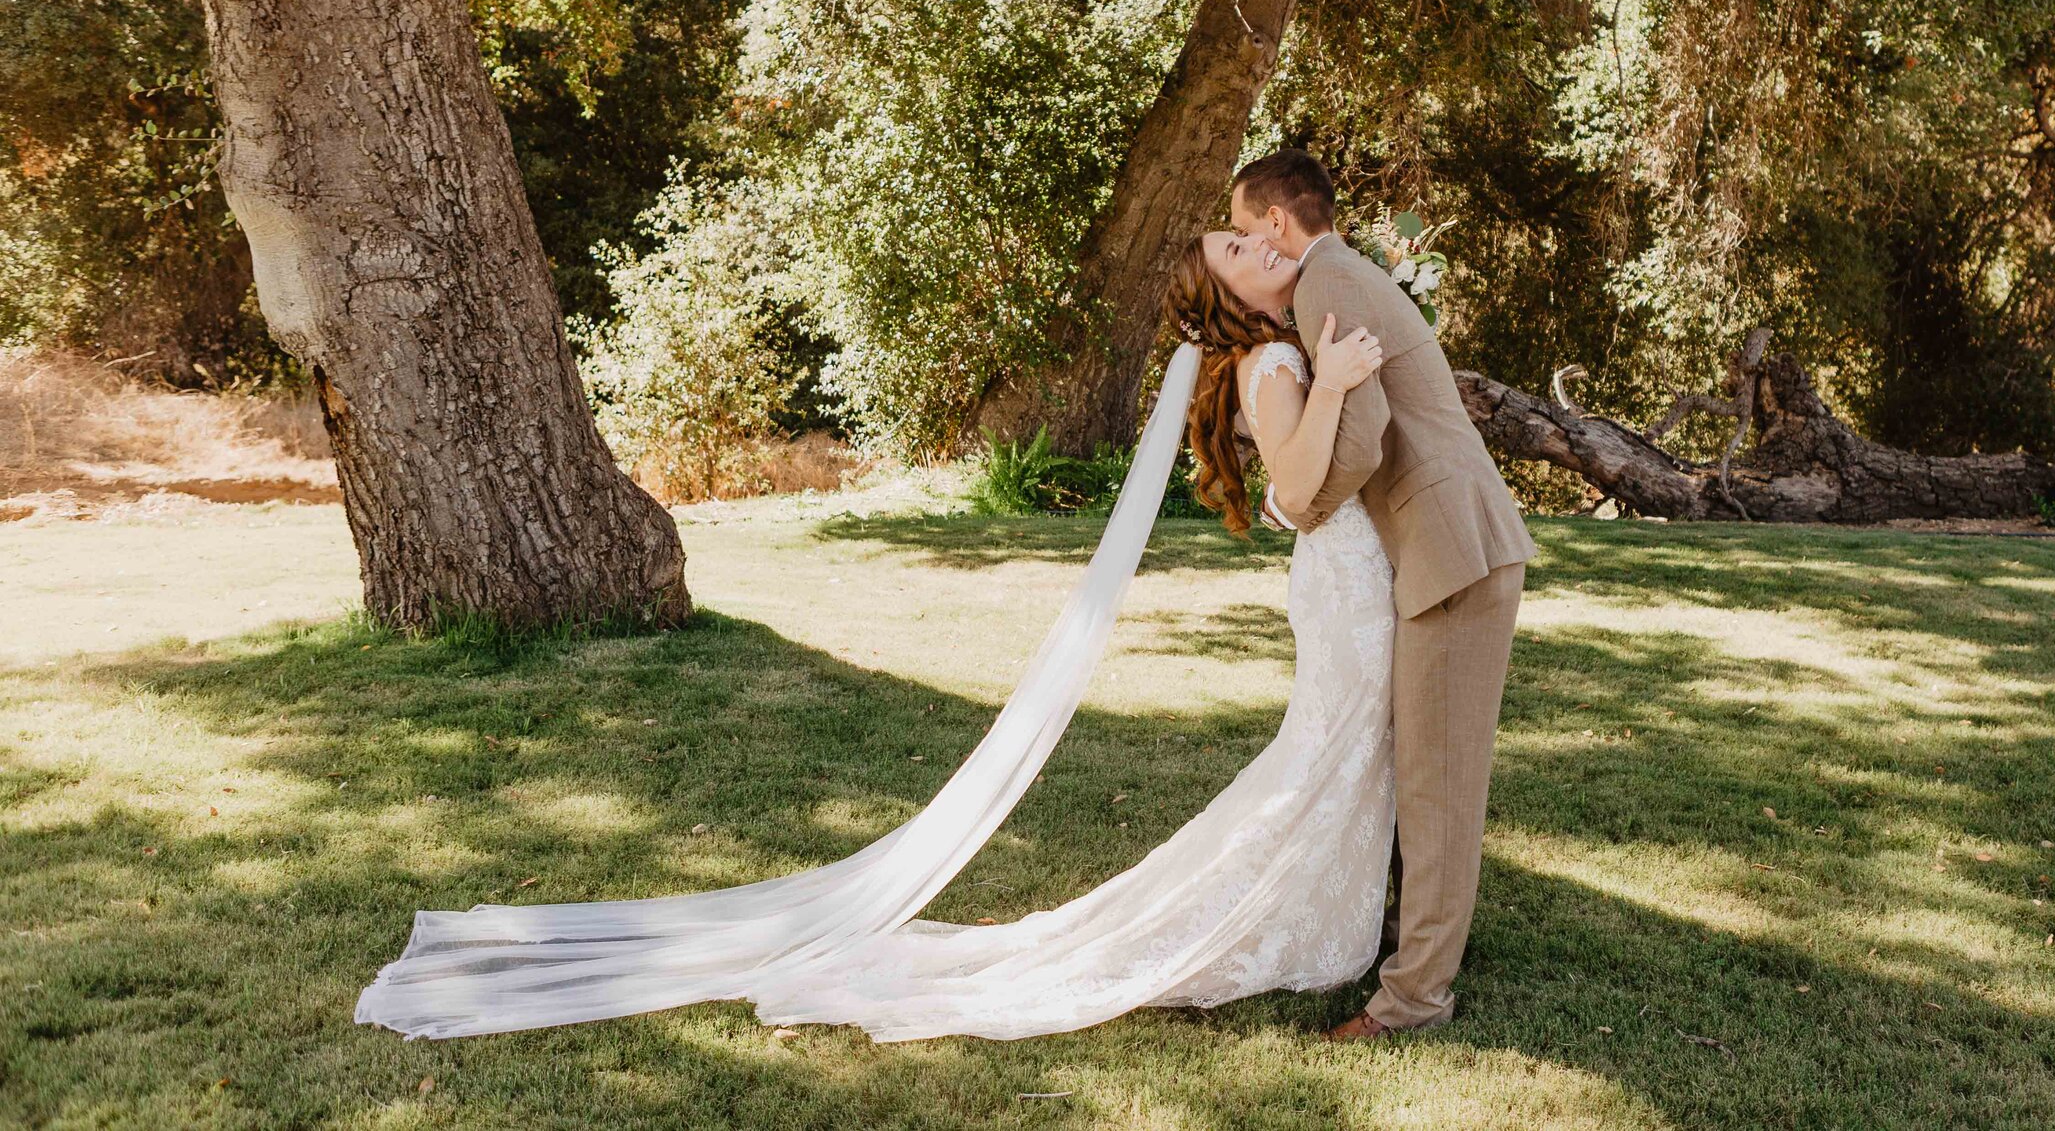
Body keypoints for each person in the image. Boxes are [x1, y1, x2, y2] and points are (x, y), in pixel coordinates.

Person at [356, 224, 1410, 1044]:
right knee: (1330, 747)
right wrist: (1346, 381)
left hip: (1345, 578)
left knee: (1341, 748)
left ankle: (1329, 915)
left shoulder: (1275, 350)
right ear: (1221, 293)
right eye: (1236, 249)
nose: (1259, 246)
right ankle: (1291, 922)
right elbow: (1293, 489)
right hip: (1345, 580)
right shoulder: (1273, 364)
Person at [1229, 149, 1537, 1038]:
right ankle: (1413, 945)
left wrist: (1300, 509)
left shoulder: (1329, 280)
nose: (1248, 253)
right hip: (1446, 545)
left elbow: (1360, 438)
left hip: (1453, 550)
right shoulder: (1342, 272)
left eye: (1247, 235)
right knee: (1422, 768)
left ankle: (1414, 1001)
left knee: (1439, 786)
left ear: (1278, 224)